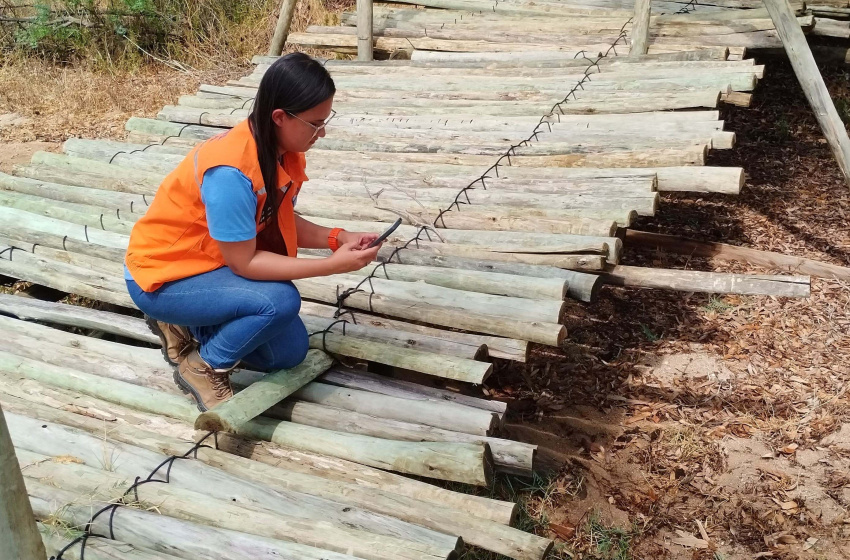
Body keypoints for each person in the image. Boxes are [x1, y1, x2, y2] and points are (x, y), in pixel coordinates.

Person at [124, 53, 382, 412]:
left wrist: (338, 238)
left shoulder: (279, 150)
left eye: (326, 120)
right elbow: (245, 263)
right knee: (280, 301)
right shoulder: (230, 173)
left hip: (211, 269)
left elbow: (281, 219)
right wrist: (332, 266)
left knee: (288, 352)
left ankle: (185, 326)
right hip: (164, 277)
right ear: (279, 117)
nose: (322, 132)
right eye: (315, 123)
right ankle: (203, 365)